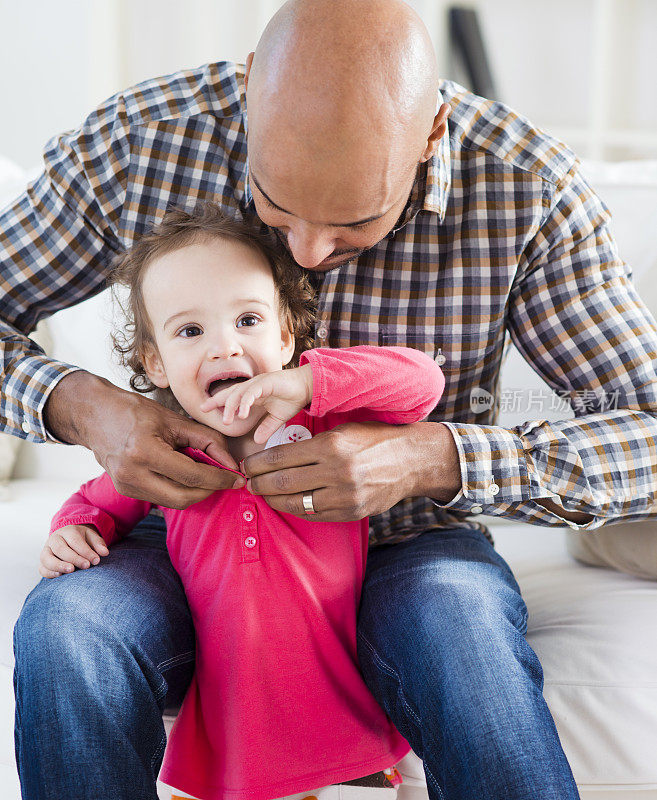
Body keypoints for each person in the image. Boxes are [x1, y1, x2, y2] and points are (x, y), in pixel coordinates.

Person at [7, 0, 657, 798]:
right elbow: (85, 494)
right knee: (66, 632)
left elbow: (647, 433)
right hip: (179, 531)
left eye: (356, 221)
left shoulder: (527, 190)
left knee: (464, 640)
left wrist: (431, 458)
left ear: (428, 137)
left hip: (408, 540)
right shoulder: (142, 145)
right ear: (249, 94)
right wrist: (81, 406)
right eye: (274, 206)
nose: (306, 255)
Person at [39, 204, 444, 800]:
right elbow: (95, 498)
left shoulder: (327, 425)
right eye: (189, 331)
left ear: (286, 336)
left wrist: (310, 381)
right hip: (225, 753)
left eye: (248, 320)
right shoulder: (168, 457)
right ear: (156, 363)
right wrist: (73, 528)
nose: (226, 349)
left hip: (346, 742)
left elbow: (422, 382)